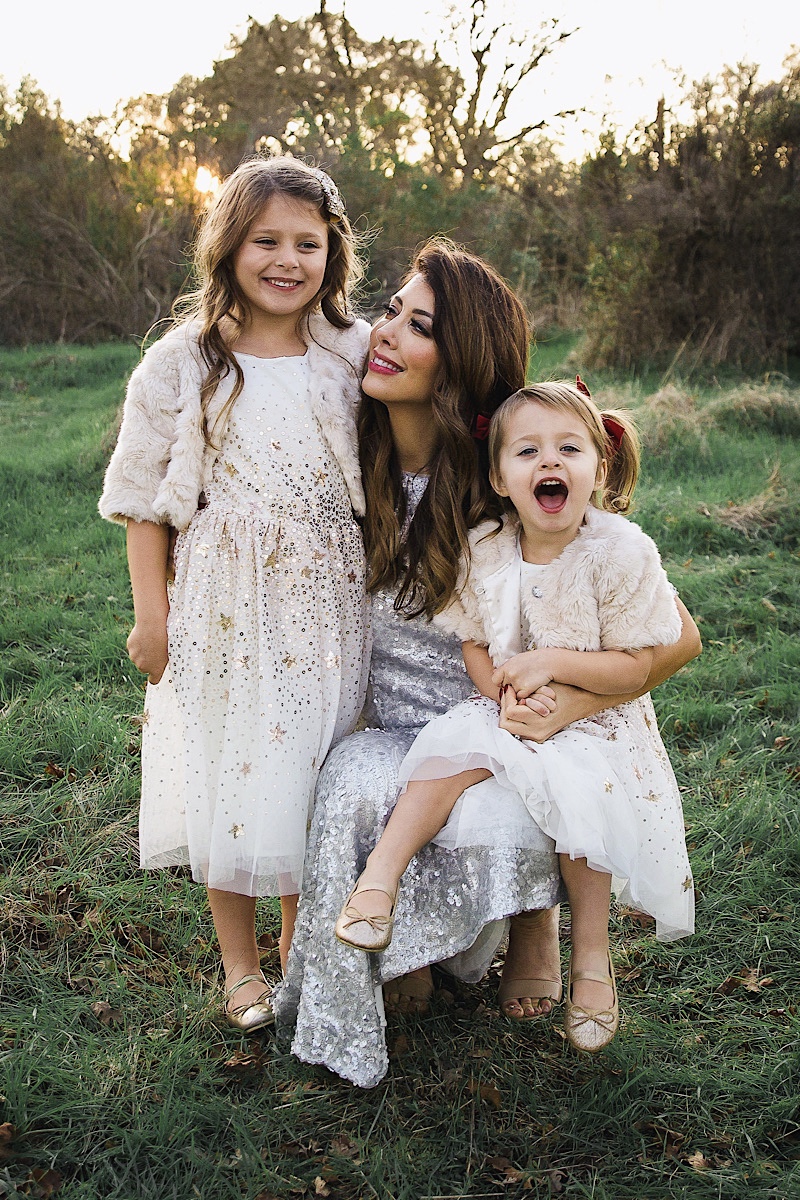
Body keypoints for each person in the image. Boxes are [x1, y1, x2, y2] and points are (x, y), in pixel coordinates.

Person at [273, 240, 701, 1086]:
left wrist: (568, 707)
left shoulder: (506, 471)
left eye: (417, 324)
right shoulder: (346, 452)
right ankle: (392, 958)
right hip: (387, 716)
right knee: (353, 785)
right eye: (389, 309)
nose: (385, 331)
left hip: (508, 713)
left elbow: (678, 638)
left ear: (461, 361)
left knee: (534, 778)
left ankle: (538, 921)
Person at [337, 380, 695, 1053]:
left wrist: (554, 665)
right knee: (443, 760)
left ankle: (590, 959)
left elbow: (636, 665)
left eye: (569, 448)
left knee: (584, 808)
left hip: (596, 720)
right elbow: (474, 637)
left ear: (601, 465)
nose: (549, 463)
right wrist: (499, 687)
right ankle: (379, 881)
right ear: (499, 478)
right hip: (507, 705)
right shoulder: (489, 545)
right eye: (527, 451)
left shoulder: (619, 551)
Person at [99, 156, 371, 1032]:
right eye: (266, 241)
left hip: (332, 597)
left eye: (308, 242)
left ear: (333, 251)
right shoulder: (183, 363)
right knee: (237, 769)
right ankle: (240, 965)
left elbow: (429, 411)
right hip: (226, 600)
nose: (287, 260)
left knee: (313, 769)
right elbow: (145, 503)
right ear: (228, 246)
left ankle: (300, 953)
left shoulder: (350, 352)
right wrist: (153, 616)